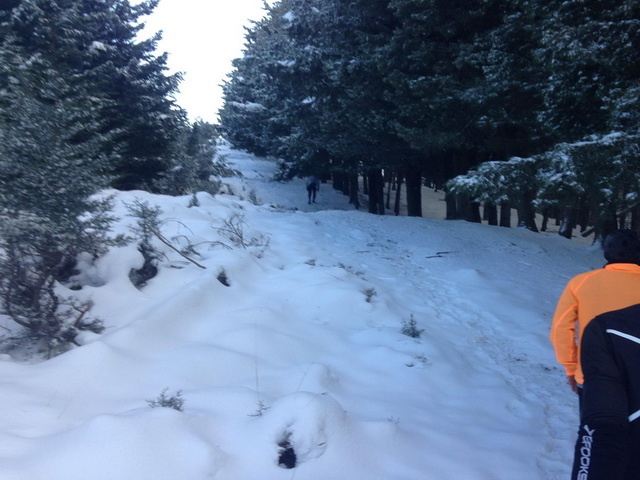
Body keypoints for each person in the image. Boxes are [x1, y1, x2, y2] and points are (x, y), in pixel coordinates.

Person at [550, 229, 640, 395]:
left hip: (593, 375)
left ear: (606, 251)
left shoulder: (581, 283)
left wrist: (571, 367)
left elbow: (560, 328)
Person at [571, 303, 640, 479]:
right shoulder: (607, 329)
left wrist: (568, 366)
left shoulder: (608, 328)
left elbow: (602, 425)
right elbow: (603, 427)